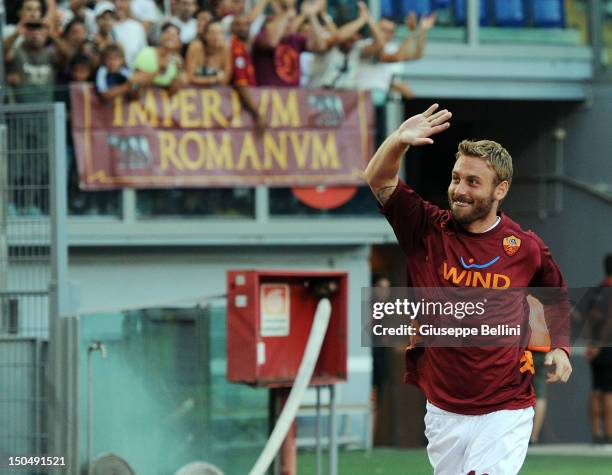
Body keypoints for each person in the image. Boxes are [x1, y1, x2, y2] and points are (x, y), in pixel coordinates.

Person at [364, 104, 572, 474]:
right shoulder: (425, 228)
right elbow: (378, 178)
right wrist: (397, 141)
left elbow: (556, 293)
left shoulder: (524, 247)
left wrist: (560, 347)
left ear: (500, 190)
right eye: (456, 178)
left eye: (472, 182)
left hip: (506, 406)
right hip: (444, 408)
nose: (459, 190)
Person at [586, 254, 612, 443]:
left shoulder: (597, 289)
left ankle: (597, 434)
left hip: (594, 347)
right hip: (607, 346)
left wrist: (591, 344)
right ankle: (610, 435)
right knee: (609, 392)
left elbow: (587, 318)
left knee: (596, 390)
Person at [132, 22, 183, 93]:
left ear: (178, 40)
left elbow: (172, 92)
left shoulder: (176, 60)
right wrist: (159, 72)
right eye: (168, 33)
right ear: (161, 35)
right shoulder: (146, 52)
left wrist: (179, 72)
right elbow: (135, 84)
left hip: (161, 103)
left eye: (174, 35)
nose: (171, 37)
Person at [185, 19, 231, 87]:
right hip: (193, 89)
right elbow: (189, 77)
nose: (216, 37)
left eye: (220, 33)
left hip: (218, 91)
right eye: (212, 33)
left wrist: (203, 80)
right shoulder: (196, 47)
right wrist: (213, 80)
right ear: (205, 35)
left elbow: (225, 80)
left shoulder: (226, 48)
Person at [112, 0, 148, 67]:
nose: (117, 4)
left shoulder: (137, 27)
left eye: (122, 1)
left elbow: (143, 53)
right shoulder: (107, 27)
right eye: (114, 1)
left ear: (129, 2)